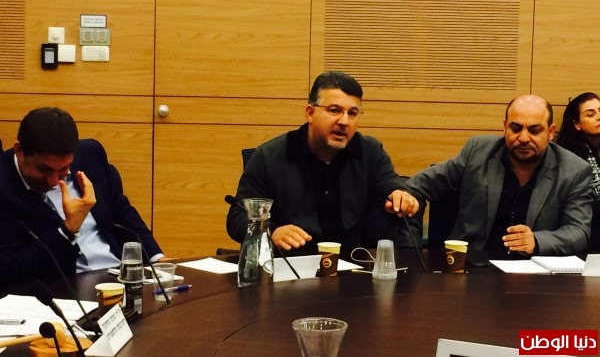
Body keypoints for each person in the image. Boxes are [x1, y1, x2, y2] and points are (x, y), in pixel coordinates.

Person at [226, 71, 421, 254]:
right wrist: (270, 231)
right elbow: (237, 217)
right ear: (310, 113)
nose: (344, 121)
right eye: (334, 110)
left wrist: (400, 196)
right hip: (290, 265)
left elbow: (390, 186)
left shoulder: (370, 151)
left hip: (353, 266)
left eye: (352, 113)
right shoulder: (270, 156)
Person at [404, 94, 593, 256]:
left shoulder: (574, 170)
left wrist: (537, 241)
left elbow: (578, 231)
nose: (524, 138)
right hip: (472, 268)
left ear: (550, 132)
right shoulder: (477, 152)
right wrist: (409, 252)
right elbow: (415, 187)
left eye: (534, 130)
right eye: (516, 128)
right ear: (505, 127)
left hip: (533, 272)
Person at [0, 107, 166, 287]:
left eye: (63, 169)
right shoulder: (4, 187)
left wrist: (157, 259)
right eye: (43, 169)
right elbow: (11, 270)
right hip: (66, 289)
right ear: (19, 151)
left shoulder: (90, 154)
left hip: (119, 277)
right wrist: (68, 230)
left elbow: (122, 212)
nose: (54, 181)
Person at [555, 92, 600, 252]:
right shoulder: (570, 157)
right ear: (577, 124)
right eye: (590, 114)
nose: (599, 117)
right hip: (586, 229)